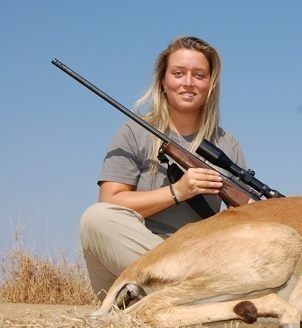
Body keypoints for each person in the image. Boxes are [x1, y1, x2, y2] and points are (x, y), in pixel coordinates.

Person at [79, 36, 247, 300]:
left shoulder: (227, 143)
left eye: (199, 75)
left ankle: (176, 298)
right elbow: (110, 200)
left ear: (210, 85)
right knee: (97, 218)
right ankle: (192, 296)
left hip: (196, 256)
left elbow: (245, 211)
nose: (188, 83)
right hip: (134, 258)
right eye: (178, 73)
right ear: (163, 81)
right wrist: (179, 191)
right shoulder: (134, 131)